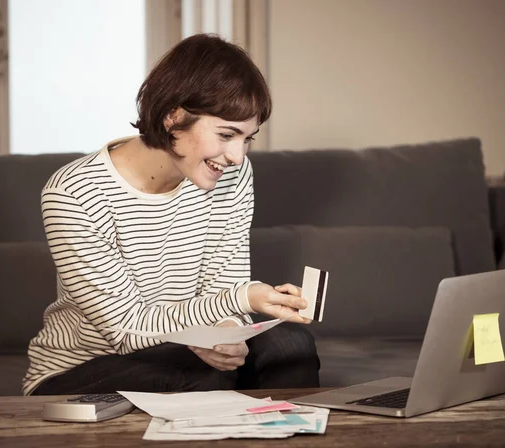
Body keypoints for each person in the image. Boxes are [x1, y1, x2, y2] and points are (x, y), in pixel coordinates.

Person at [22, 34, 320, 396]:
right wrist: (242, 300)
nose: (237, 156)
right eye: (226, 134)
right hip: (83, 367)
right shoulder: (74, 193)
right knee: (194, 375)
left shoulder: (233, 176)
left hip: (180, 351)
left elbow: (222, 286)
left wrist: (226, 332)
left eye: (247, 138)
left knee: (291, 347)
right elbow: (126, 330)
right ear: (172, 116)